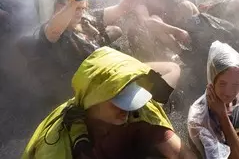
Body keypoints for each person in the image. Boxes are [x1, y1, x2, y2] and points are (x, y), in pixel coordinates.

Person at [23, 47, 194, 159]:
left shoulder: (139, 110)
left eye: (129, 98)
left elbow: (180, 154)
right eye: (118, 102)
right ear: (93, 99)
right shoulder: (57, 145)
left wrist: (127, 71)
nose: (125, 111)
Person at [40, 0, 139, 64]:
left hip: (104, 68)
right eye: (76, 8)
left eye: (82, 8)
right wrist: (73, 3)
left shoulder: (86, 19)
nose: (80, 12)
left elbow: (121, 8)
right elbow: (54, 31)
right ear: (59, 7)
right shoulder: (53, 31)